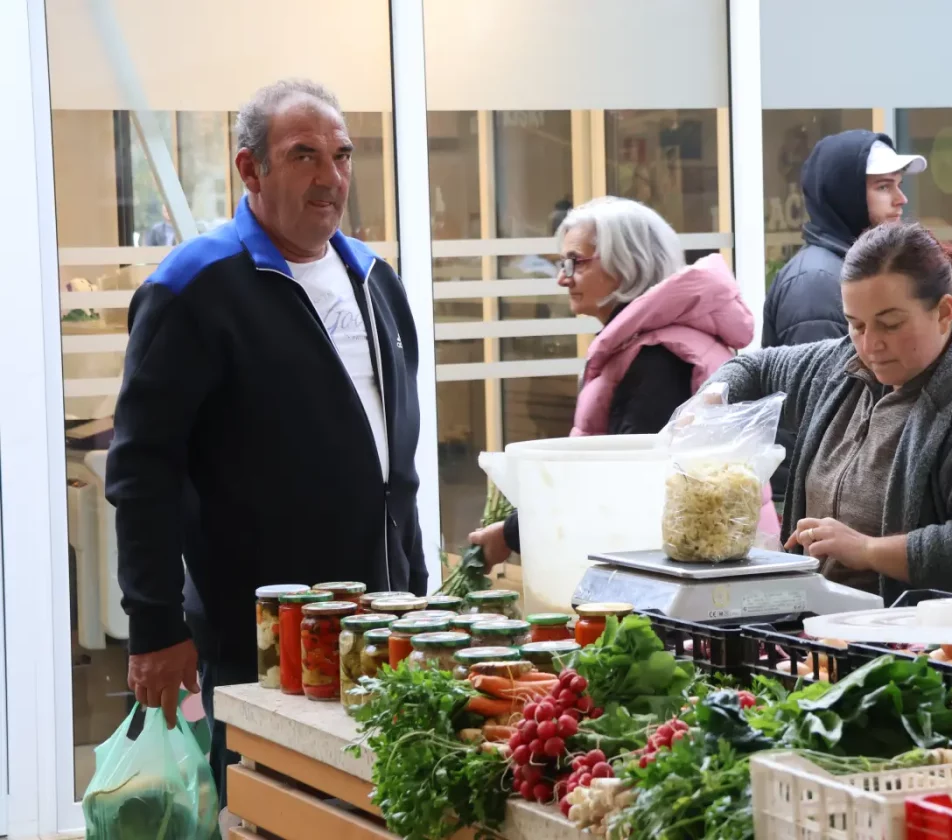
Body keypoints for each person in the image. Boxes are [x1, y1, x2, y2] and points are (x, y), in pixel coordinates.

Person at [106, 79, 425, 795]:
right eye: (304, 156)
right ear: (250, 170)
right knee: (265, 807)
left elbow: (391, 459)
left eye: (341, 156)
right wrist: (153, 624)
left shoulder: (376, 281)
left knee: (368, 808)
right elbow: (142, 473)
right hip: (258, 635)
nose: (331, 177)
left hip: (380, 621)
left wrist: (415, 585)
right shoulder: (194, 289)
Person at [706, 223, 952, 604]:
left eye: (890, 324)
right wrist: (711, 401)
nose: (870, 345)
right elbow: (754, 370)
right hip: (833, 641)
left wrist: (870, 550)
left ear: (943, 312)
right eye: (856, 324)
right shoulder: (839, 363)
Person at [469, 196, 757, 562]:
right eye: (561, 263)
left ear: (627, 263)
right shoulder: (647, 343)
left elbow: (626, 480)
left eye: (575, 262)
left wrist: (513, 532)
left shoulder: (660, 356)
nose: (562, 278)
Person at [761, 130, 926, 517]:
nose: (900, 200)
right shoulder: (818, 282)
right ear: (843, 194)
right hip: (818, 501)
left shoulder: (852, 272)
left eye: (899, 186)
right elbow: (825, 409)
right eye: (884, 187)